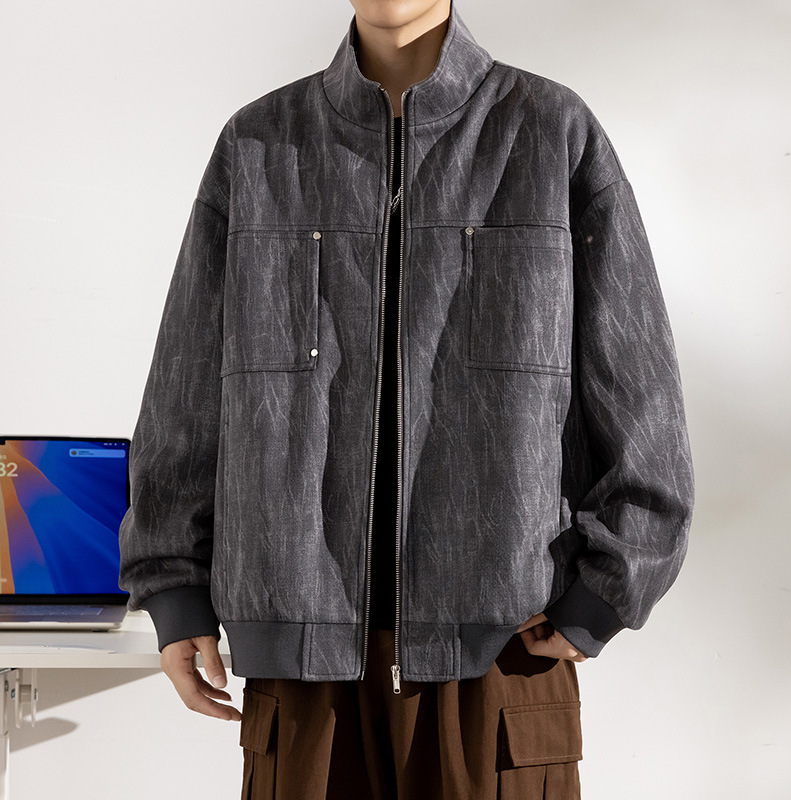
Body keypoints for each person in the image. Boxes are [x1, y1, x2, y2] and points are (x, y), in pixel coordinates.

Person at [118, 0, 695, 797]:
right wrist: (175, 590)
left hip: (504, 657)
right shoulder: (258, 145)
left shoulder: (549, 132)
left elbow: (641, 391)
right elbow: (185, 387)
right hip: (302, 668)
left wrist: (606, 592)